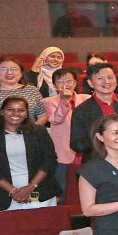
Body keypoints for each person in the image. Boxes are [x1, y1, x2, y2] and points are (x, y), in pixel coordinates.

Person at [0, 96, 59, 235]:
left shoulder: (39, 132)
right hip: (1, 194)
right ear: (1, 112)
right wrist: (13, 191)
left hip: (38, 191)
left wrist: (30, 187)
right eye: (10, 109)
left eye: (21, 110)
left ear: (26, 114)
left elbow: (49, 160)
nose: (15, 113)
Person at [70, 63, 118, 158]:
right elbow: (77, 144)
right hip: (97, 163)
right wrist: (104, 140)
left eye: (110, 77)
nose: (106, 81)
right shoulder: (82, 110)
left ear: (116, 80)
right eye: (100, 78)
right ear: (90, 83)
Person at [40, 68, 88, 201]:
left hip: (85, 148)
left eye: (69, 80)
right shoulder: (48, 101)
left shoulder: (86, 99)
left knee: (86, 186)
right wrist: (64, 102)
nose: (65, 84)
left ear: (75, 83)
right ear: (54, 85)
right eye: (60, 81)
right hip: (62, 149)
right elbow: (55, 119)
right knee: (62, 186)